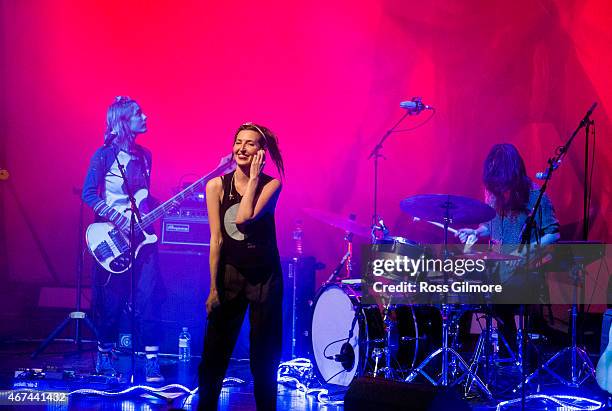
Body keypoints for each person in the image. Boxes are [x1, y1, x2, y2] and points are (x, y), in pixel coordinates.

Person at [198, 122, 284, 411]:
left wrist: (256, 177)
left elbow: (243, 218)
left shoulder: (272, 184)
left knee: (264, 356)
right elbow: (217, 240)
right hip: (231, 274)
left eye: (250, 143)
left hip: (264, 277)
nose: (242, 148)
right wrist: (213, 288)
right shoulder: (216, 186)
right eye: (238, 142)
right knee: (214, 354)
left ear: (262, 152)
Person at [82, 96, 165, 383]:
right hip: (114, 237)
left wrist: (158, 207)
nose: (146, 117)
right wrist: (118, 220)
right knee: (111, 303)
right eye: (138, 113)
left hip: (142, 239)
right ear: (122, 122)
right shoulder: (103, 156)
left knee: (149, 298)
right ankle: (104, 354)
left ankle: (152, 361)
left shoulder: (146, 155)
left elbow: (141, 199)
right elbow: (89, 194)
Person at [456, 143, 560, 352]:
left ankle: (512, 351)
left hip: (526, 270)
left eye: (501, 182)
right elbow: (489, 226)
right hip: (497, 269)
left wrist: (528, 249)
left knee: (500, 297)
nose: (498, 189)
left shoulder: (535, 197)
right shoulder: (494, 195)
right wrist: (476, 232)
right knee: (460, 283)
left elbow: (553, 234)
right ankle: (473, 351)